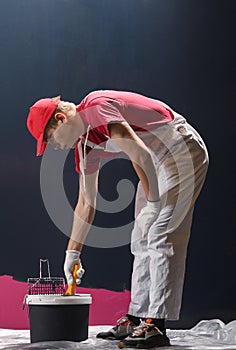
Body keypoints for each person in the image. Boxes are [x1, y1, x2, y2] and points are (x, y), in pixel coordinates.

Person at [27, 90, 209, 349]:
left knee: (160, 233)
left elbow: (140, 153)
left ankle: (156, 323)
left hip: (180, 149)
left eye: (50, 139)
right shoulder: (85, 144)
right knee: (140, 237)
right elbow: (86, 202)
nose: (54, 147)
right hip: (155, 161)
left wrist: (154, 203)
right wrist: (72, 254)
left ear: (60, 119)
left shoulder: (97, 107)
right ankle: (137, 318)